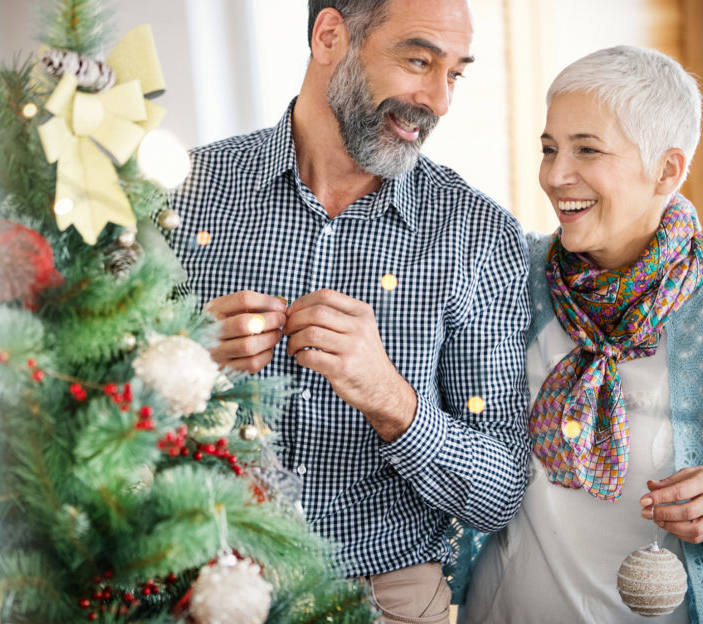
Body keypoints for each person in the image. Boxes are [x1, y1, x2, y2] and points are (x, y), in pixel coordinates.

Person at [163, 0, 532, 621]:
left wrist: (394, 401)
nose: (439, 101)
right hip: (194, 586)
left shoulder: (479, 235)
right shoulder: (185, 192)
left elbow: (499, 492)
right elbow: (90, 398)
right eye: (419, 61)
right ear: (330, 35)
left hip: (385, 599)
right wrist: (184, 362)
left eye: (455, 74)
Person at [460, 45, 703, 623]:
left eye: (587, 150)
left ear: (667, 170)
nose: (554, 176)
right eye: (549, 149)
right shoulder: (512, 274)